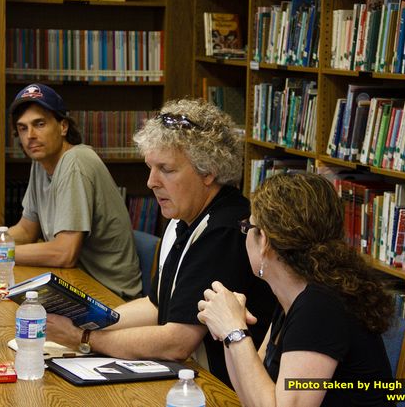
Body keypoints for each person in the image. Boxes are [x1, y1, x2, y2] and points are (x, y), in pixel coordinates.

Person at [46, 98, 275, 386]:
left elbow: (177, 342)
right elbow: (157, 307)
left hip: (218, 388)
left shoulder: (225, 230)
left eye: (166, 169)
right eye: (150, 167)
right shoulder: (183, 218)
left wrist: (84, 338)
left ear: (208, 172)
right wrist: (84, 317)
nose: (151, 182)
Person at [197, 173, 395, 407]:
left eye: (247, 226)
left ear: (265, 242)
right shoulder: (293, 295)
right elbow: (252, 396)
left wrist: (234, 331)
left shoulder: (321, 307)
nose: (244, 234)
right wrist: (228, 330)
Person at [0, 83, 141, 300]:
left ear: (63, 127)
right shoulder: (41, 162)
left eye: (39, 124)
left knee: (6, 313)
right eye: (23, 128)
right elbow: (26, 230)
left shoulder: (76, 162)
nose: (30, 136)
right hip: (76, 280)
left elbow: (65, 253)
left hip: (109, 294)